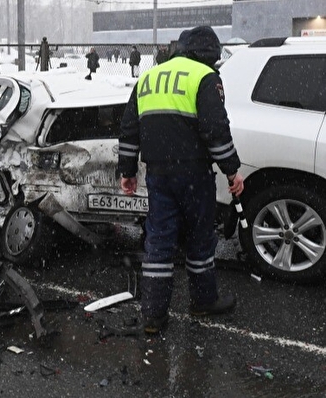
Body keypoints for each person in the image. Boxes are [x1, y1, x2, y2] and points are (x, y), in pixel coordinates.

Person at [117, 26, 244, 334]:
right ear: (210, 54)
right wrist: (231, 169)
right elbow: (215, 129)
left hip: (158, 174)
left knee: (159, 241)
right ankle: (202, 301)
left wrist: (128, 171)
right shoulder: (204, 77)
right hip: (194, 174)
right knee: (200, 237)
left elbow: (129, 129)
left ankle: (154, 315)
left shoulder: (148, 77)